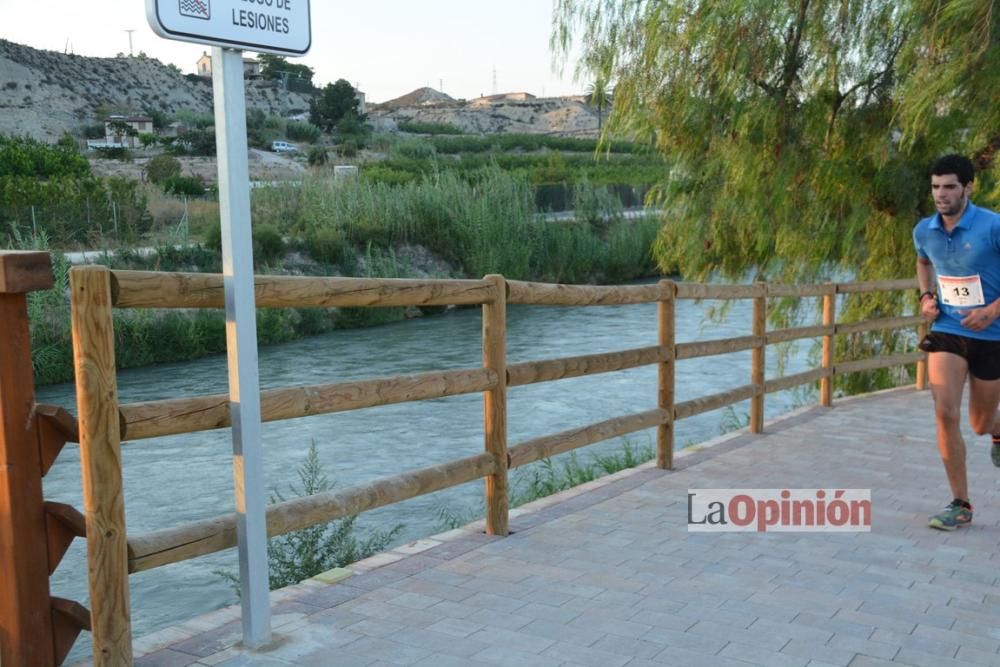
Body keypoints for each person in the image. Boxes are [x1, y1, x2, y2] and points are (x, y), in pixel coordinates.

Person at [913, 153, 1000, 530]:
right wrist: (926, 296)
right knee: (945, 412)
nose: (941, 194)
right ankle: (960, 503)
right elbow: (923, 262)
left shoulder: (993, 226)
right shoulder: (924, 230)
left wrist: (992, 311)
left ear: (968, 187)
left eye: (949, 186)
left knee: (979, 423)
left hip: (992, 334)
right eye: (935, 187)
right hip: (948, 329)